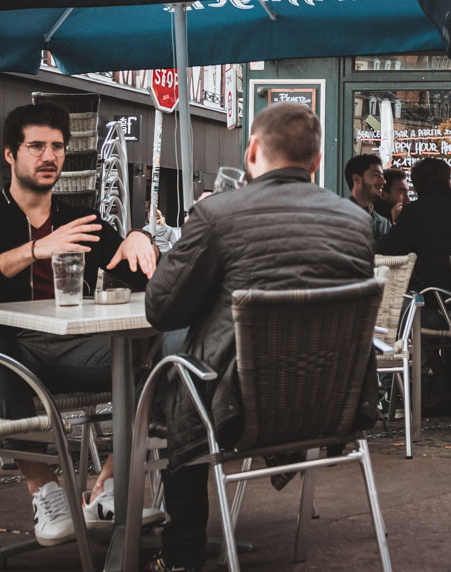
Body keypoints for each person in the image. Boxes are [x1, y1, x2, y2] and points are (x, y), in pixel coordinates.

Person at [144, 101, 375, 572]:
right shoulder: (357, 222)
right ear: (315, 162)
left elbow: (161, 308)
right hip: (332, 404)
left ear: (252, 151)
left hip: (240, 407)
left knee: (175, 364)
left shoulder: (218, 214)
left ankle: (181, 553)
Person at [0, 102, 157, 547]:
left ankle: (111, 482)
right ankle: (45, 491)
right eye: (36, 146)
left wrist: (142, 238)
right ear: (8, 154)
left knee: (159, 347)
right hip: (7, 359)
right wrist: (35, 250)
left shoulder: (80, 219)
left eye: (57, 147)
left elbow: (140, 273)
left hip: (74, 351)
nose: (49, 156)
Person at [375, 155, 451, 295]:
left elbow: (385, 253)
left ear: (417, 186)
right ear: (448, 181)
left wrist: (396, 223)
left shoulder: (415, 213)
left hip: (432, 297)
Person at [344, 153, 391, 238]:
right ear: (356, 179)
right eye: (376, 175)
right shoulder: (335, 219)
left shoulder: (385, 225)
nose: (383, 181)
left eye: (382, 175)